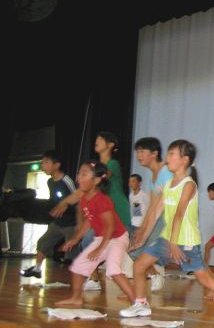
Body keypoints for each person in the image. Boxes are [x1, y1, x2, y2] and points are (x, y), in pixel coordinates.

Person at [120, 140, 214, 325]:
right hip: (168, 238)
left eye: (172, 154)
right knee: (139, 265)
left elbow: (179, 214)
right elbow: (155, 212)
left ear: (185, 160)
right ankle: (140, 304)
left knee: (203, 277)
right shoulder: (168, 185)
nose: (167, 158)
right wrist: (142, 240)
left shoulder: (189, 185)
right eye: (168, 153)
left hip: (186, 241)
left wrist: (174, 243)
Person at [50, 131, 132, 291]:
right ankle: (94, 279)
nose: (97, 140)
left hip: (119, 214)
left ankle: (147, 277)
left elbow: (91, 184)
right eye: (97, 138)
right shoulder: (93, 169)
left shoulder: (112, 164)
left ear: (111, 145)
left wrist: (65, 202)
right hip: (102, 217)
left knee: (127, 252)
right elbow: (85, 192)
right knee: (88, 242)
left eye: (101, 139)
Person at [54, 161, 134, 306]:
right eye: (79, 173)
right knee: (78, 266)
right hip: (102, 238)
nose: (79, 177)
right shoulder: (85, 199)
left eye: (84, 174)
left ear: (96, 180)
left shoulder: (102, 200)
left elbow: (110, 227)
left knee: (113, 270)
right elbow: (89, 221)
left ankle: (138, 303)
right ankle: (76, 298)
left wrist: (99, 249)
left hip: (117, 238)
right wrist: (75, 239)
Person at [20, 150, 77, 278]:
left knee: (72, 252)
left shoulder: (66, 180)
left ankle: (79, 278)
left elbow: (77, 197)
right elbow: (54, 200)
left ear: (56, 165)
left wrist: (68, 207)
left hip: (71, 223)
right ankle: (37, 269)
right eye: (42, 162)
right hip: (58, 222)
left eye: (46, 162)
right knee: (43, 242)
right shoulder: (50, 182)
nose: (42, 165)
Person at [129, 136, 172, 292]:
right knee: (134, 250)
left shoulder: (166, 171)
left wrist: (144, 235)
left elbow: (159, 208)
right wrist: (141, 229)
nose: (138, 156)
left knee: (138, 250)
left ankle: (137, 294)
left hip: (168, 219)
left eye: (142, 151)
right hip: (159, 217)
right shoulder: (153, 176)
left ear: (154, 153)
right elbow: (152, 207)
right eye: (137, 152)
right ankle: (154, 276)